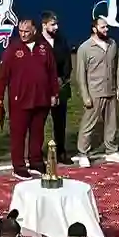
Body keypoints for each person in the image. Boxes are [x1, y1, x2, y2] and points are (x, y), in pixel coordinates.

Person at [0, 19, 60, 181]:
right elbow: (2, 75)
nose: (23, 34)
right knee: (18, 135)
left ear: (34, 31)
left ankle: (35, 162)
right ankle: (18, 166)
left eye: (26, 31)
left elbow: (52, 72)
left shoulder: (44, 48)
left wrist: (54, 94)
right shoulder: (12, 49)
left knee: (38, 133)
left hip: (41, 99)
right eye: (21, 31)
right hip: (20, 100)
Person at [75, 17, 119, 168]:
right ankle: (83, 153)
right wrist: (85, 95)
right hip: (94, 92)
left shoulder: (112, 44)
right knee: (88, 125)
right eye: (103, 27)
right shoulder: (85, 48)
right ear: (94, 29)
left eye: (106, 27)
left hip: (111, 90)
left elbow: (117, 67)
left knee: (112, 124)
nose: (106, 29)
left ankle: (111, 151)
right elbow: (80, 74)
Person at [42, 12, 74, 165]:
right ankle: (37, 153)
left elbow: (68, 61)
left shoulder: (61, 40)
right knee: (39, 121)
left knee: (60, 121)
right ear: (44, 25)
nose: (56, 27)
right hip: (42, 87)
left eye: (56, 24)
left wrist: (63, 78)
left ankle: (61, 151)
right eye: (52, 24)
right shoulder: (37, 42)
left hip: (60, 85)